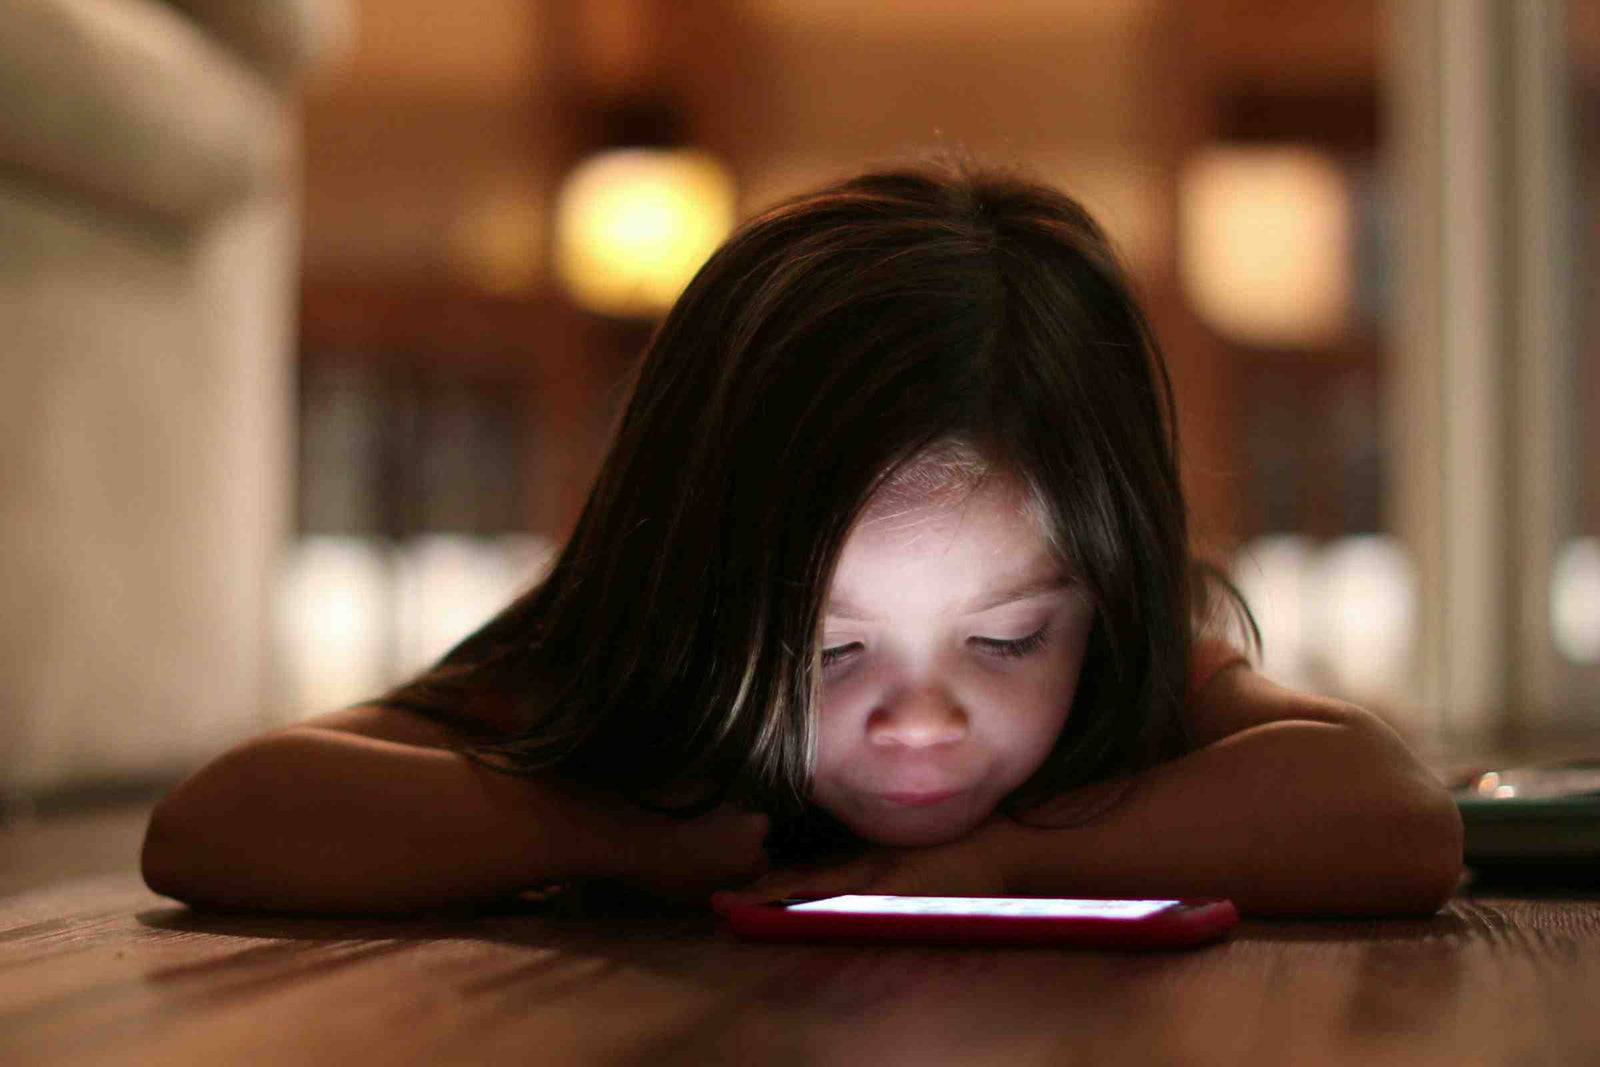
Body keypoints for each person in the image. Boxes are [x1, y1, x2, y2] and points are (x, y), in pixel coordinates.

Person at [141, 157, 1462, 918]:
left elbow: (1395, 817)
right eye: (827, 651)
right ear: (692, 586)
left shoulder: (1115, 676)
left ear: (1102, 596)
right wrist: (607, 832)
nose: (922, 722)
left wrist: (1004, 860)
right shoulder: (654, 672)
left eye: (1005, 639)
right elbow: (217, 822)